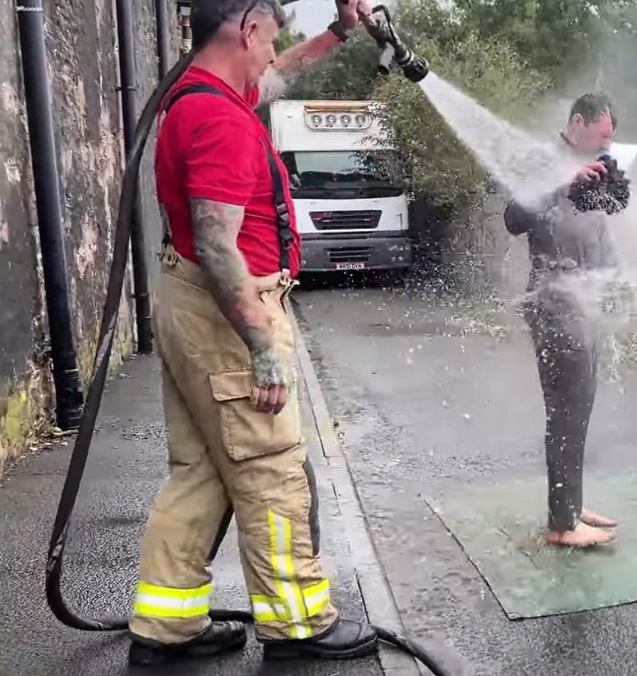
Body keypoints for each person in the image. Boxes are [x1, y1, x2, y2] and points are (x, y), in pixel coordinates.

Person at [127, 0, 379, 666]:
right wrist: (265, 348)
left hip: (190, 306)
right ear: (247, 29)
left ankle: (165, 627)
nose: (275, 51)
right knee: (269, 470)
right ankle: (298, 626)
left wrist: (339, 34)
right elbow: (218, 245)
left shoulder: (198, 95)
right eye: (272, 36)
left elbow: (280, 77)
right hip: (229, 316)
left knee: (201, 473)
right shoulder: (218, 119)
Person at [503, 93, 624, 548]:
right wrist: (561, 183)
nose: (608, 145)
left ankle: (570, 504)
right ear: (579, 122)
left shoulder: (595, 170)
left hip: (586, 301)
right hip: (554, 301)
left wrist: (622, 291)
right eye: (604, 135)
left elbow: (599, 235)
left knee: (581, 406)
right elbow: (514, 218)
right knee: (567, 408)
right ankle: (563, 524)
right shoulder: (544, 163)